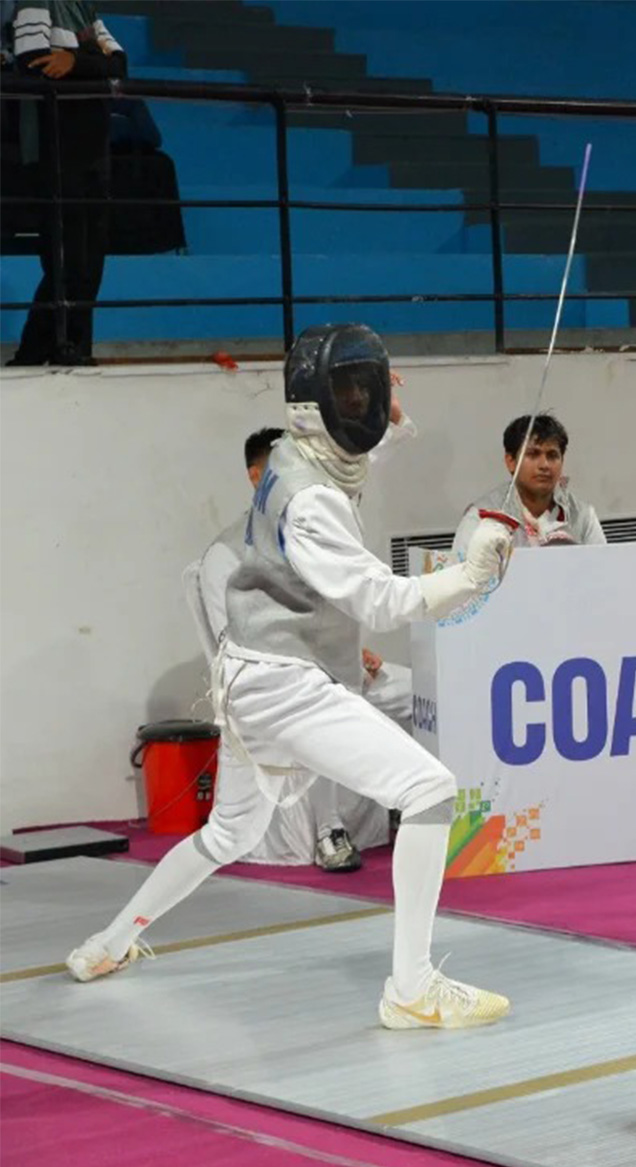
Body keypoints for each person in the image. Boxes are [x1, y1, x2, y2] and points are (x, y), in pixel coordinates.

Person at [68, 323, 518, 1030]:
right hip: (286, 683)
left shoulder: (287, 453)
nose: (367, 403)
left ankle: (108, 943)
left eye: (369, 387)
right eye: (351, 390)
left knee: (230, 836)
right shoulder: (312, 505)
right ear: (315, 404)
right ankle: (412, 988)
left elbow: (345, 464)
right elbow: (381, 600)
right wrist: (473, 574)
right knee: (429, 789)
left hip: (253, 678)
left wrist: (389, 430)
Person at [193, 426, 405, 873]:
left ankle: (412, 804)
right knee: (325, 705)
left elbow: (338, 602)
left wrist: (357, 647)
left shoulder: (308, 527)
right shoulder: (226, 553)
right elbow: (230, 640)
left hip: (338, 665)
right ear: (258, 477)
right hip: (275, 685)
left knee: (420, 690)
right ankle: (330, 830)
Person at [2, 0, 124, 366]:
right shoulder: (35, 4)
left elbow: (120, 63)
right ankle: (40, 349)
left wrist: (74, 61)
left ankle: (70, 346)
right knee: (67, 260)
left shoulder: (85, 9)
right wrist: (93, 59)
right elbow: (35, 61)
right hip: (57, 147)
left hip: (95, 149)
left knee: (91, 262)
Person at [452, 413, 605, 556]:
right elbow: (461, 580)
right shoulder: (480, 519)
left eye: (552, 456)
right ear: (511, 462)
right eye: (533, 454)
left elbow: (605, 575)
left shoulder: (582, 517)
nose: (544, 465)